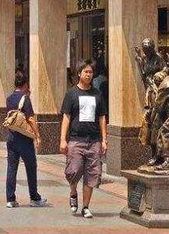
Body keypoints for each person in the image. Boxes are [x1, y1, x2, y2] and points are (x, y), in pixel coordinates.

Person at [59, 59, 108, 219]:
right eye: (86, 72)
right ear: (79, 73)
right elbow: (66, 117)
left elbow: (102, 117)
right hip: (76, 139)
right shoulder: (71, 94)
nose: (88, 74)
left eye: (90, 72)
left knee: (92, 174)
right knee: (73, 171)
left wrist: (104, 140)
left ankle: (86, 207)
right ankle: (73, 193)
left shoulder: (97, 94)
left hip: (94, 140)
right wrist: (63, 139)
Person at [4, 70, 46, 208]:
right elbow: (31, 118)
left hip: (11, 136)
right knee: (31, 167)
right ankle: (34, 197)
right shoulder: (25, 98)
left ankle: (10, 199)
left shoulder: (9, 98)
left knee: (11, 167)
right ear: (26, 84)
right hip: (25, 139)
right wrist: (37, 136)